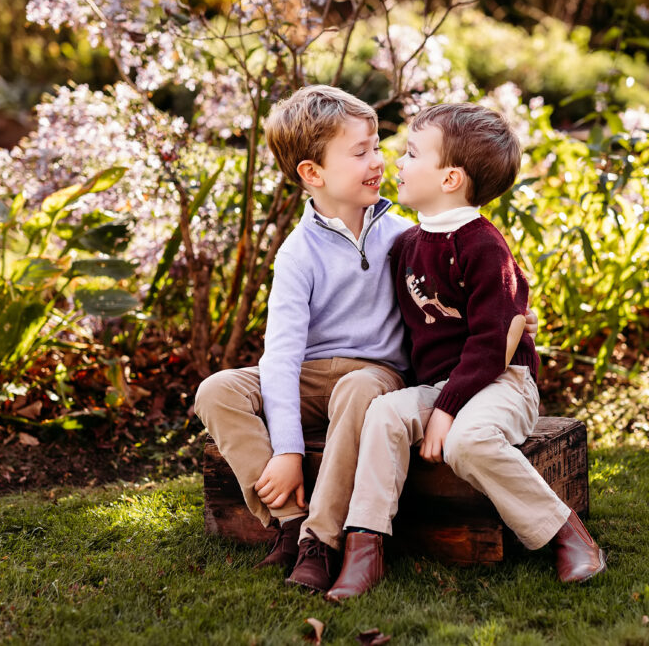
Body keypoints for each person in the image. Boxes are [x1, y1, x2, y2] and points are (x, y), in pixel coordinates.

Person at [195, 85, 541, 592]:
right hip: (315, 376)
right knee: (216, 391)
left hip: (375, 375)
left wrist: (516, 318)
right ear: (313, 174)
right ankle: (291, 523)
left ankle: (322, 539)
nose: (379, 160)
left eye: (378, 146)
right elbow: (283, 357)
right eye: (361, 152)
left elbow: (475, 295)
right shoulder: (297, 254)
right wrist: (288, 450)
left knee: (356, 389)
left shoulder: (405, 237)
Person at [325, 102, 607, 602]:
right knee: (385, 412)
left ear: (451, 178)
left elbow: (489, 346)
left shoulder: (484, 247)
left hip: (501, 383)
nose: (398, 163)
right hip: (442, 388)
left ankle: (567, 533)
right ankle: (364, 548)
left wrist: (445, 412)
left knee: (466, 443)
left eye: (412, 154)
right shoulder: (408, 244)